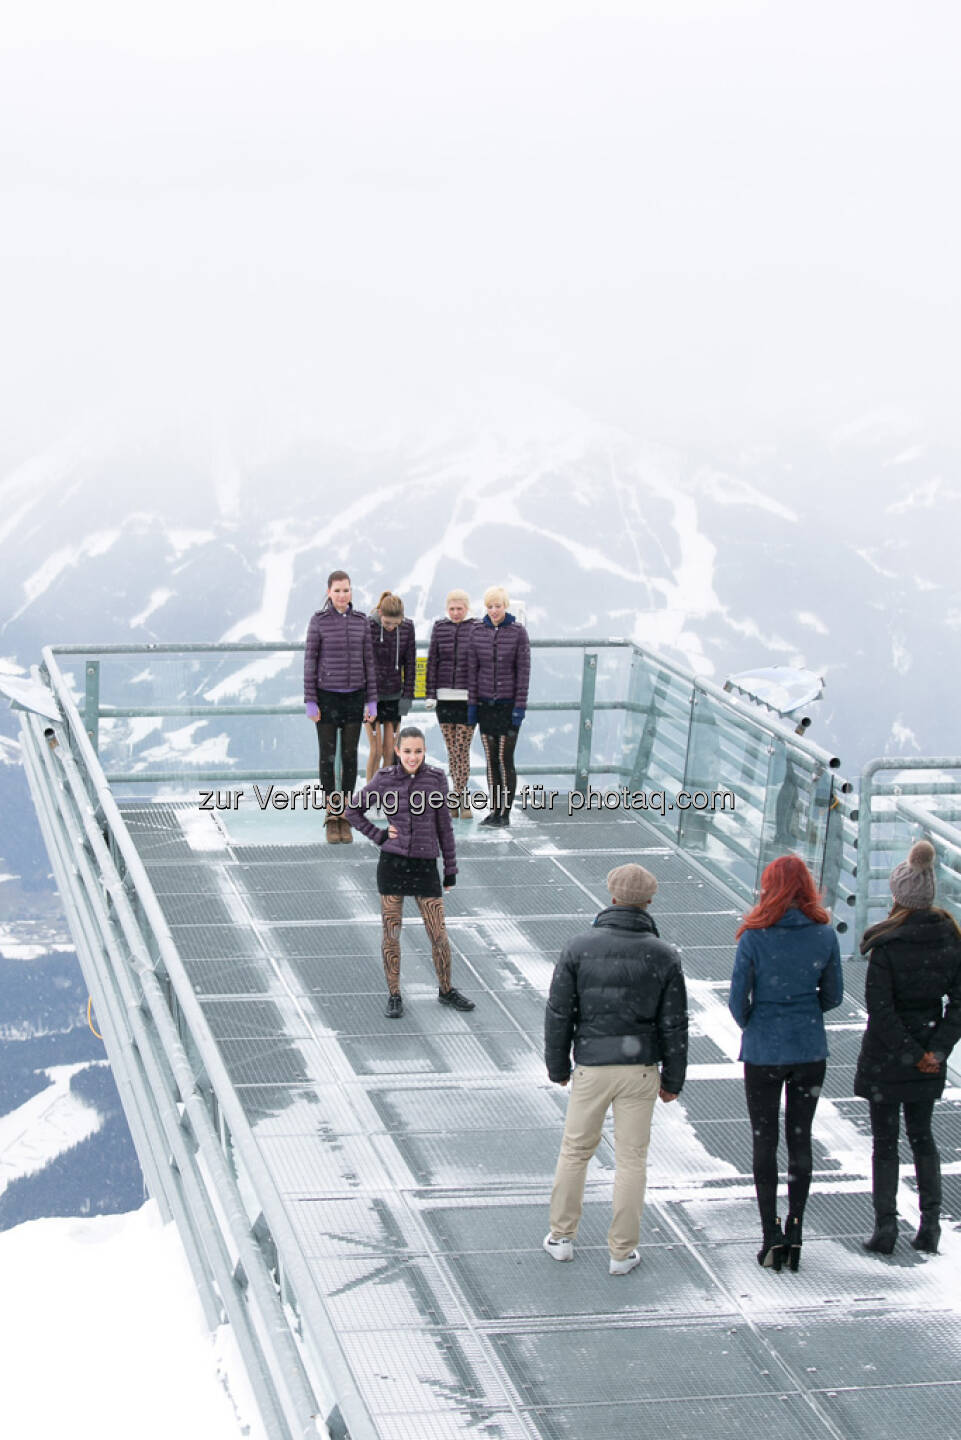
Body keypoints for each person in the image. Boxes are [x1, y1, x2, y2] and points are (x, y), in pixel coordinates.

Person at [543, 863, 687, 1276]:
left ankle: (562, 1237)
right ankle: (621, 1253)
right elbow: (674, 1023)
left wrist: (558, 1066)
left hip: (591, 1065)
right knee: (631, 1160)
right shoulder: (663, 955)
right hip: (640, 1069)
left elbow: (559, 1013)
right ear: (649, 902)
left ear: (611, 897)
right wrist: (673, 1079)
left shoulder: (578, 947)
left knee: (575, 1151)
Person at [728, 854, 843, 1272]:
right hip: (809, 1050)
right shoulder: (823, 934)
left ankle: (770, 1233)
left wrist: (758, 1022)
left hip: (763, 1052)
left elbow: (737, 1003)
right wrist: (803, 1014)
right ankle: (796, 1230)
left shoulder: (754, 936)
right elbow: (832, 996)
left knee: (765, 1140)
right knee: (800, 1138)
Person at [855, 840, 961, 1256]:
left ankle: (885, 1227)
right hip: (928, 1056)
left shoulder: (886, 943)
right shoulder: (950, 937)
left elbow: (880, 1010)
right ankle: (930, 1224)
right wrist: (934, 1050)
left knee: (885, 1143)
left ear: (897, 896)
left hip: (887, 1057)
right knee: (922, 1137)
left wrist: (907, 1051)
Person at [345, 726, 476, 1018]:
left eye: (418, 751)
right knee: (391, 933)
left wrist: (450, 868)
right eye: (407, 751)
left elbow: (444, 826)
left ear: (424, 751)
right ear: (398, 751)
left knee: (438, 934)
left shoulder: (436, 779)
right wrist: (379, 836)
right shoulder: (385, 779)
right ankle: (394, 994)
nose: (413, 757)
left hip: (426, 866)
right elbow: (352, 810)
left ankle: (446, 990)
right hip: (392, 866)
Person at [303, 570, 377, 844]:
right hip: (326, 697)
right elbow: (310, 660)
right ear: (328, 592)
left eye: (346, 590)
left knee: (349, 757)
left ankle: (345, 814)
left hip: (354, 696)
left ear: (351, 591)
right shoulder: (318, 621)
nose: (342, 595)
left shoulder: (361, 622)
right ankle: (330, 814)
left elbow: (369, 661)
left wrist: (371, 700)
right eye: (337, 591)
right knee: (327, 756)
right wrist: (310, 699)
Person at [466, 586, 530, 828]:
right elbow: (472, 671)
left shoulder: (518, 633)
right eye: (490, 606)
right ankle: (493, 810)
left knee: (505, 758)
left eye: (498, 606)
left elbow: (523, 673)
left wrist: (519, 709)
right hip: (485, 705)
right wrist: (473, 707)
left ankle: (505, 812)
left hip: (508, 705)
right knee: (491, 759)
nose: (494, 611)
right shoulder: (477, 631)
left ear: (506, 606)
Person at [425, 589, 476, 818]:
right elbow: (432, 660)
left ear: (467, 608)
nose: (455, 613)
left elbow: (480, 662)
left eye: (459, 609)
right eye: (452, 609)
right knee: (451, 749)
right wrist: (430, 693)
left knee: (462, 748)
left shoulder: (476, 627)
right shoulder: (440, 627)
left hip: (467, 698)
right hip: (444, 696)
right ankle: (454, 798)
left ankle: (462, 796)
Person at [366, 591, 416, 782]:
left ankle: (385, 797)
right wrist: (365, 699)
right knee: (376, 750)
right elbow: (363, 663)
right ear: (380, 613)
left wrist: (407, 696)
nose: (391, 627)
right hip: (372, 697)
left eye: (396, 624)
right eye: (387, 623)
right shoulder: (368, 626)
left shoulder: (407, 627)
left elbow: (410, 663)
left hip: (394, 696)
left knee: (390, 751)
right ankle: (369, 796)